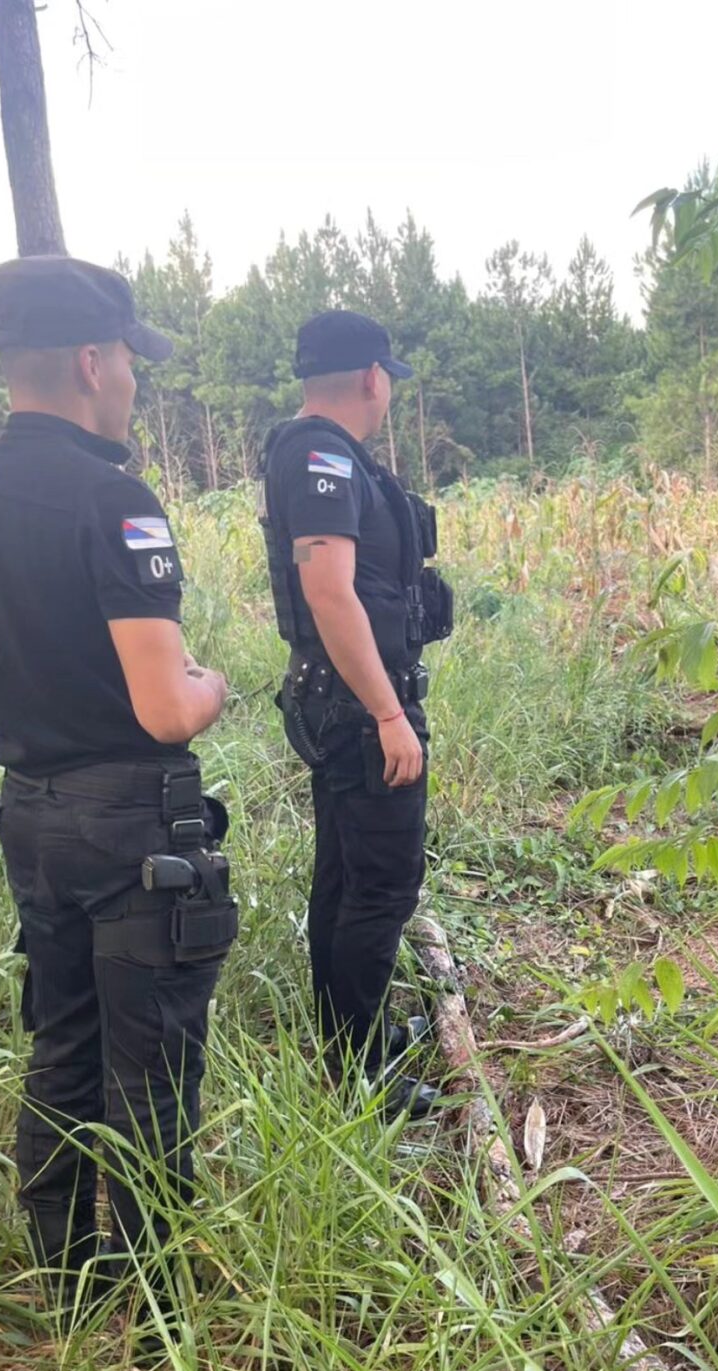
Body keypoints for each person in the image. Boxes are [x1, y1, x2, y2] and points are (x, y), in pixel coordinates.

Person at [0, 256, 237, 1313]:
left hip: (31, 812)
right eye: (130, 367)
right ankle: (158, 1316)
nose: (134, 388)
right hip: (132, 821)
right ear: (92, 360)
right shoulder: (115, 499)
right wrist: (215, 683)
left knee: (61, 1045)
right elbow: (165, 705)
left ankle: (71, 1285)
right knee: (151, 1068)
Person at [258, 310, 454, 1117]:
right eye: (387, 381)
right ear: (374, 377)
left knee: (343, 874)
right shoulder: (319, 457)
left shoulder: (315, 453)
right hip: (356, 706)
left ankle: (349, 1048)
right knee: (381, 881)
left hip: (339, 700)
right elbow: (328, 590)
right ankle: (362, 1074)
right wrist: (387, 713)